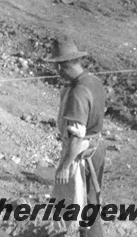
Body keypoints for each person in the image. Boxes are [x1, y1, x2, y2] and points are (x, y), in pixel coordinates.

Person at [44, 38, 106, 237]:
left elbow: (76, 137)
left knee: (80, 205)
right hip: (97, 147)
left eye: (57, 67)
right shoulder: (93, 81)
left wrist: (65, 165)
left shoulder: (78, 93)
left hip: (82, 153)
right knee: (91, 201)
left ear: (62, 67)